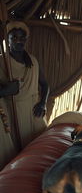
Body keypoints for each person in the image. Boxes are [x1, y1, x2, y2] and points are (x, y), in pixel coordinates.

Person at [0, 21, 49, 169]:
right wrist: (6, 90)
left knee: (35, 150)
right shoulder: (2, 62)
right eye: (14, 37)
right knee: (12, 154)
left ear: (26, 40)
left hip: (33, 110)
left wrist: (43, 103)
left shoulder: (33, 61)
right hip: (11, 110)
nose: (18, 40)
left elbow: (45, 84)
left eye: (22, 37)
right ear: (7, 40)